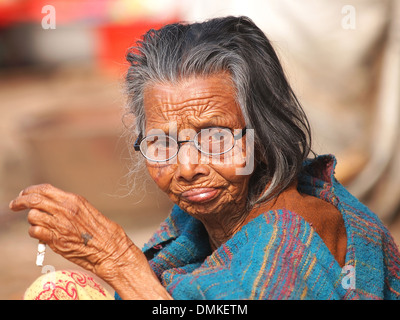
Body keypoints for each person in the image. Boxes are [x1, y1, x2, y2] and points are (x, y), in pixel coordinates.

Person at [9, 16, 400, 300]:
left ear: (264, 137)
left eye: (215, 138)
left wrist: (118, 261)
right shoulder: (194, 224)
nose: (187, 168)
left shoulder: (292, 237)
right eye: (162, 143)